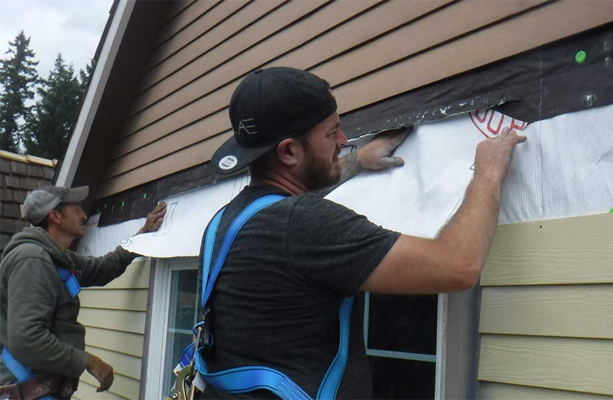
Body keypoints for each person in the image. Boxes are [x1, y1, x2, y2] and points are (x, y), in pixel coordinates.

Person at [198, 67, 526, 399]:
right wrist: (487, 173)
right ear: (288, 152)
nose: (343, 141)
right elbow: (458, 265)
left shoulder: (222, 224)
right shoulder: (304, 224)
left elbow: (290, 210)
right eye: (332, 134)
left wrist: (355, 162)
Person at [0, 185, 167, 398]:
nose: (84, 215)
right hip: (27, 389)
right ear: (56, 216)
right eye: (77, 208)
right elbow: (27, 339)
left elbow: (104, 267)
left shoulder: (58, 258)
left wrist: (141, 235)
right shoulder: (32, 261)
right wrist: (89, 362)